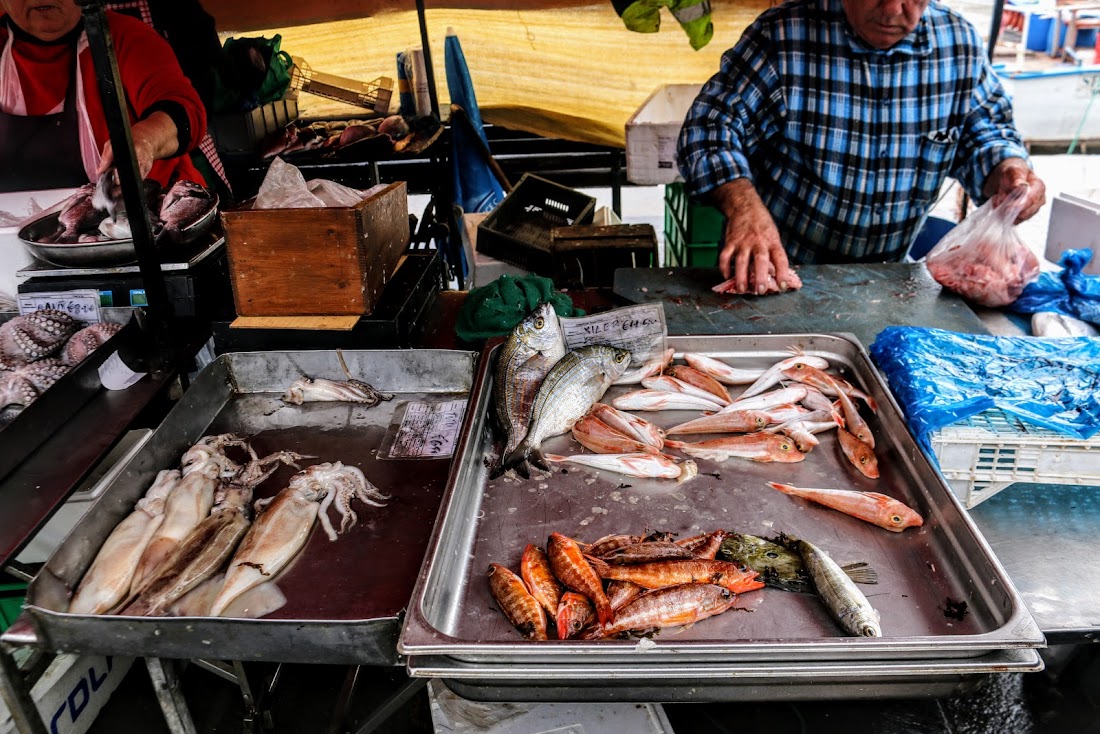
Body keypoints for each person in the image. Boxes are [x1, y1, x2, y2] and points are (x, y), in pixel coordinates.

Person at [677, 0, 1047, 294]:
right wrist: (745, 209)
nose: (891, 10)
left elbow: (985, 133)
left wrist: (1007, 168)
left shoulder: (959, 46)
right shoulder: (782, 37)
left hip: (889, 282)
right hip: (779, 274)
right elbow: (709, 128)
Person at [0, 0, 207, 193]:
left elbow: (183, 109)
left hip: (151, 214)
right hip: (16, 224)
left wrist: (146, 139)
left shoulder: (123, 35)